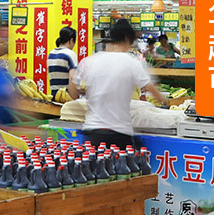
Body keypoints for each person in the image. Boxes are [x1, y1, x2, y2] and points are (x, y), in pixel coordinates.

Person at [70, 19, 165, 147]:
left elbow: (73, 89)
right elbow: (152, 90)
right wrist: (163, 102)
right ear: (127, 39)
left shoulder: (89, 61)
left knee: (92, 160)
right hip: (120, 133)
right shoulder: (132, 63)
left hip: (92, 132)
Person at [47, 27, 80, 101]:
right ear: (71, 40)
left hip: (54, 98)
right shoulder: (70, 54)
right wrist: (74, 100)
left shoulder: (51, 54)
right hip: (66, 98)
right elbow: (73, 79)